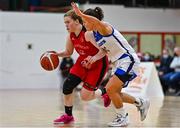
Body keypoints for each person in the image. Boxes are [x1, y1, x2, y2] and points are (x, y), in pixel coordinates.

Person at [72, 2, 150, 127]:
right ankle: (140, 102)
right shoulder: (95, 35)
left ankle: (122, 117)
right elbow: (103, 51)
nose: (84, 24)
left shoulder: (104, 28)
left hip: (127, 59)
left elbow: (97, 22)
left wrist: (80, 13)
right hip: (118, 63)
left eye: (85, 21)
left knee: (109, 88)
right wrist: (93, 58)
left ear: (92, 21)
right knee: (114, 92)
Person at [53, 9, 110, 124]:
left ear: (77, 21)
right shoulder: (71, 36)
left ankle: (105, 91)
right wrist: (57, 54)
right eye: (65, 23)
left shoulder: (88, 33)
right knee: (67, 87)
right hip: (82, 62)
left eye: (68, 22)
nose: (66, 25)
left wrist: (93, 59)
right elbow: (68, 52)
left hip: (98, 63)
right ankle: (68, 116)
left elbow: (104, 51)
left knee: (84, 96)